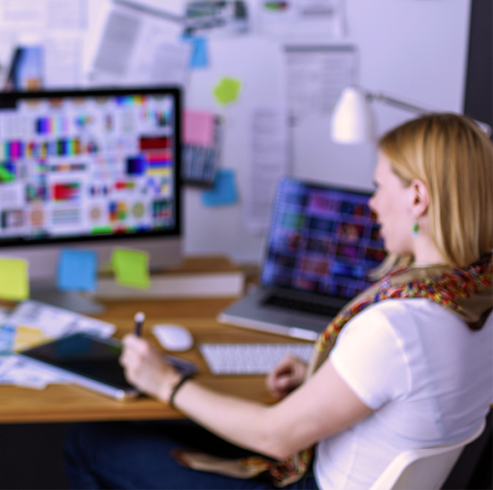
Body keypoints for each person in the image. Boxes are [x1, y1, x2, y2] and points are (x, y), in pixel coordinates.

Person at [65, 113, 493, 490]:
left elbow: (275, 437)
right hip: (336, 466)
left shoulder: (399, 325)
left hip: (305, 480)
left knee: (89, 441)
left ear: (418, 198)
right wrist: (319, 377)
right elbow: (409, 385)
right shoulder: (475, 297)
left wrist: (164, 382)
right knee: (167, 427)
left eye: (379, 187)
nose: (373, 204)